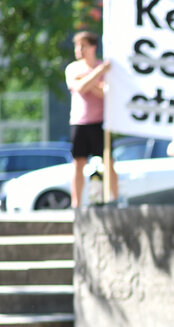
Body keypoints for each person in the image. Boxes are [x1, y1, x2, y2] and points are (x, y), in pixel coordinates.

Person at [65, 31, 117, 208]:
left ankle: (115, 199)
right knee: (78, 162)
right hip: (79, 122)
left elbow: (106, 94)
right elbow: (78, 87)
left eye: (83, 46)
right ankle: (76, 203)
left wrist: (89, 81)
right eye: (77, 46)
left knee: (108, 161)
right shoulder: (73, 68)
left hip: (100, 122)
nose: (79, 50)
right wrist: (97, 76)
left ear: (93, 47)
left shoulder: (105, 66)